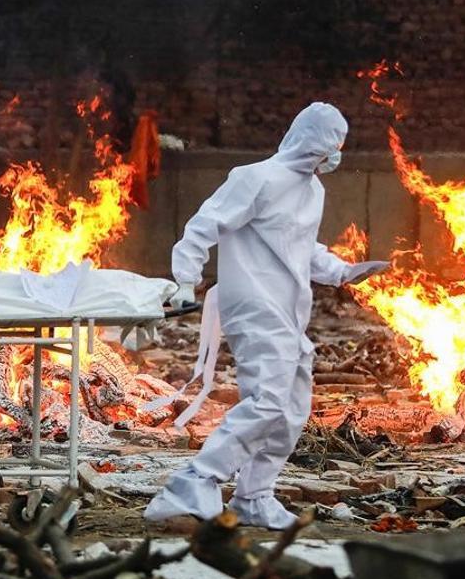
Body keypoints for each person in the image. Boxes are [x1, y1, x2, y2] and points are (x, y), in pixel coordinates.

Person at [145, 102, 388, 529]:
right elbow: (205, 225)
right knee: (267, 401)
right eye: (331, 142)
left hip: (290, 310)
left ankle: (255, 495)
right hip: (254, 304)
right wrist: (185, 280)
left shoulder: (313, 191)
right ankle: (190, 485)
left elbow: (301, 246)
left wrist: (342, 272)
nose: (335, 154)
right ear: (310, 138)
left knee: (292, 404)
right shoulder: (254, 178)